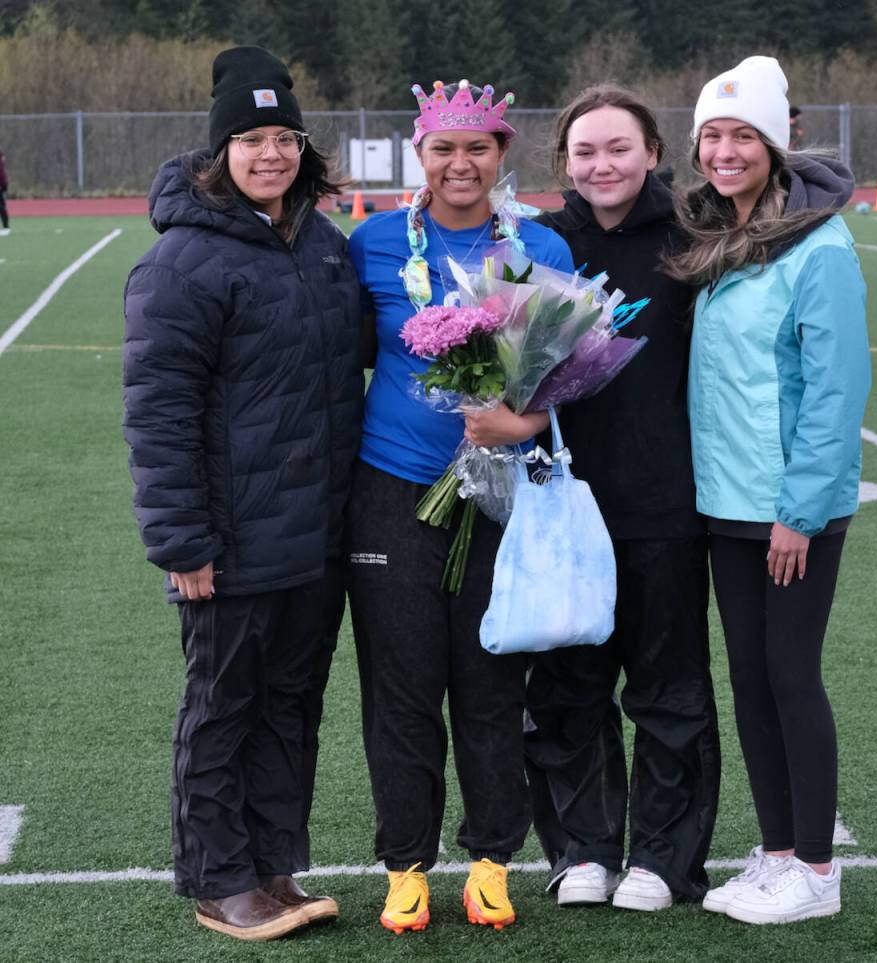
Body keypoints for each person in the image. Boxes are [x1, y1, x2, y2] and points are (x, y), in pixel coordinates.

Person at [123, 46, 364, 941]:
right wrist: (183, 541)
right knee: (223, 707)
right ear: (219, 150)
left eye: (285, 137)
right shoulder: (183, 261)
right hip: (230, 541)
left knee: (292, 705)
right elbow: (158, 413)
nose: (272, 154)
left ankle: (272, 865)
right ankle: (218, 876)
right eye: (252, 139)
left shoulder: (322, 248)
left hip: (317, 536)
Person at [344, 78, 573, 934]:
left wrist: (529, 417)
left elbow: (563, 368)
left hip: (502, 491)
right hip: (391, 486)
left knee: (489, 679)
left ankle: (489, 859)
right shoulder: (371, 242)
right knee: (400, 685)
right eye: (444, 148)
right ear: (421, 156)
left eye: (478, 147)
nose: (460, 163)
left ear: (501, 155)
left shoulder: (538, 242)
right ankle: (406, 864)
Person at [669, 55, 870, 924]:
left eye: (740, 134)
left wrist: (800, 511)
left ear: (778, 143)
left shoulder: (818, 247)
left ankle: (818, 874)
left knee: (791, 675)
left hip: (790, 511)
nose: (723, 150)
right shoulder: (724, 243)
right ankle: (780, 851)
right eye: (711, 135)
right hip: (728, 506)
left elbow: (835, 389)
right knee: (749, 679)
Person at [523, 85, 720, 912]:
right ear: (563, 162)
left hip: (663, 503)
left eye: (619, 148)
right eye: (585, 151)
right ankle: (583, 848)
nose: (602, 164)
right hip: (559, 507)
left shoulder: (697, 237)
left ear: (653, 153)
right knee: (567, 684)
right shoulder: (536, 243)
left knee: (668, 688)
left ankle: (666, 860)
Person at [0, 149, 9, 235]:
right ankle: (6, 228)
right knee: (2, 206)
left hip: (1, 184)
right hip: (3, 184)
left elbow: (2, 175)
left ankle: (6, 228)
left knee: (1, 206)